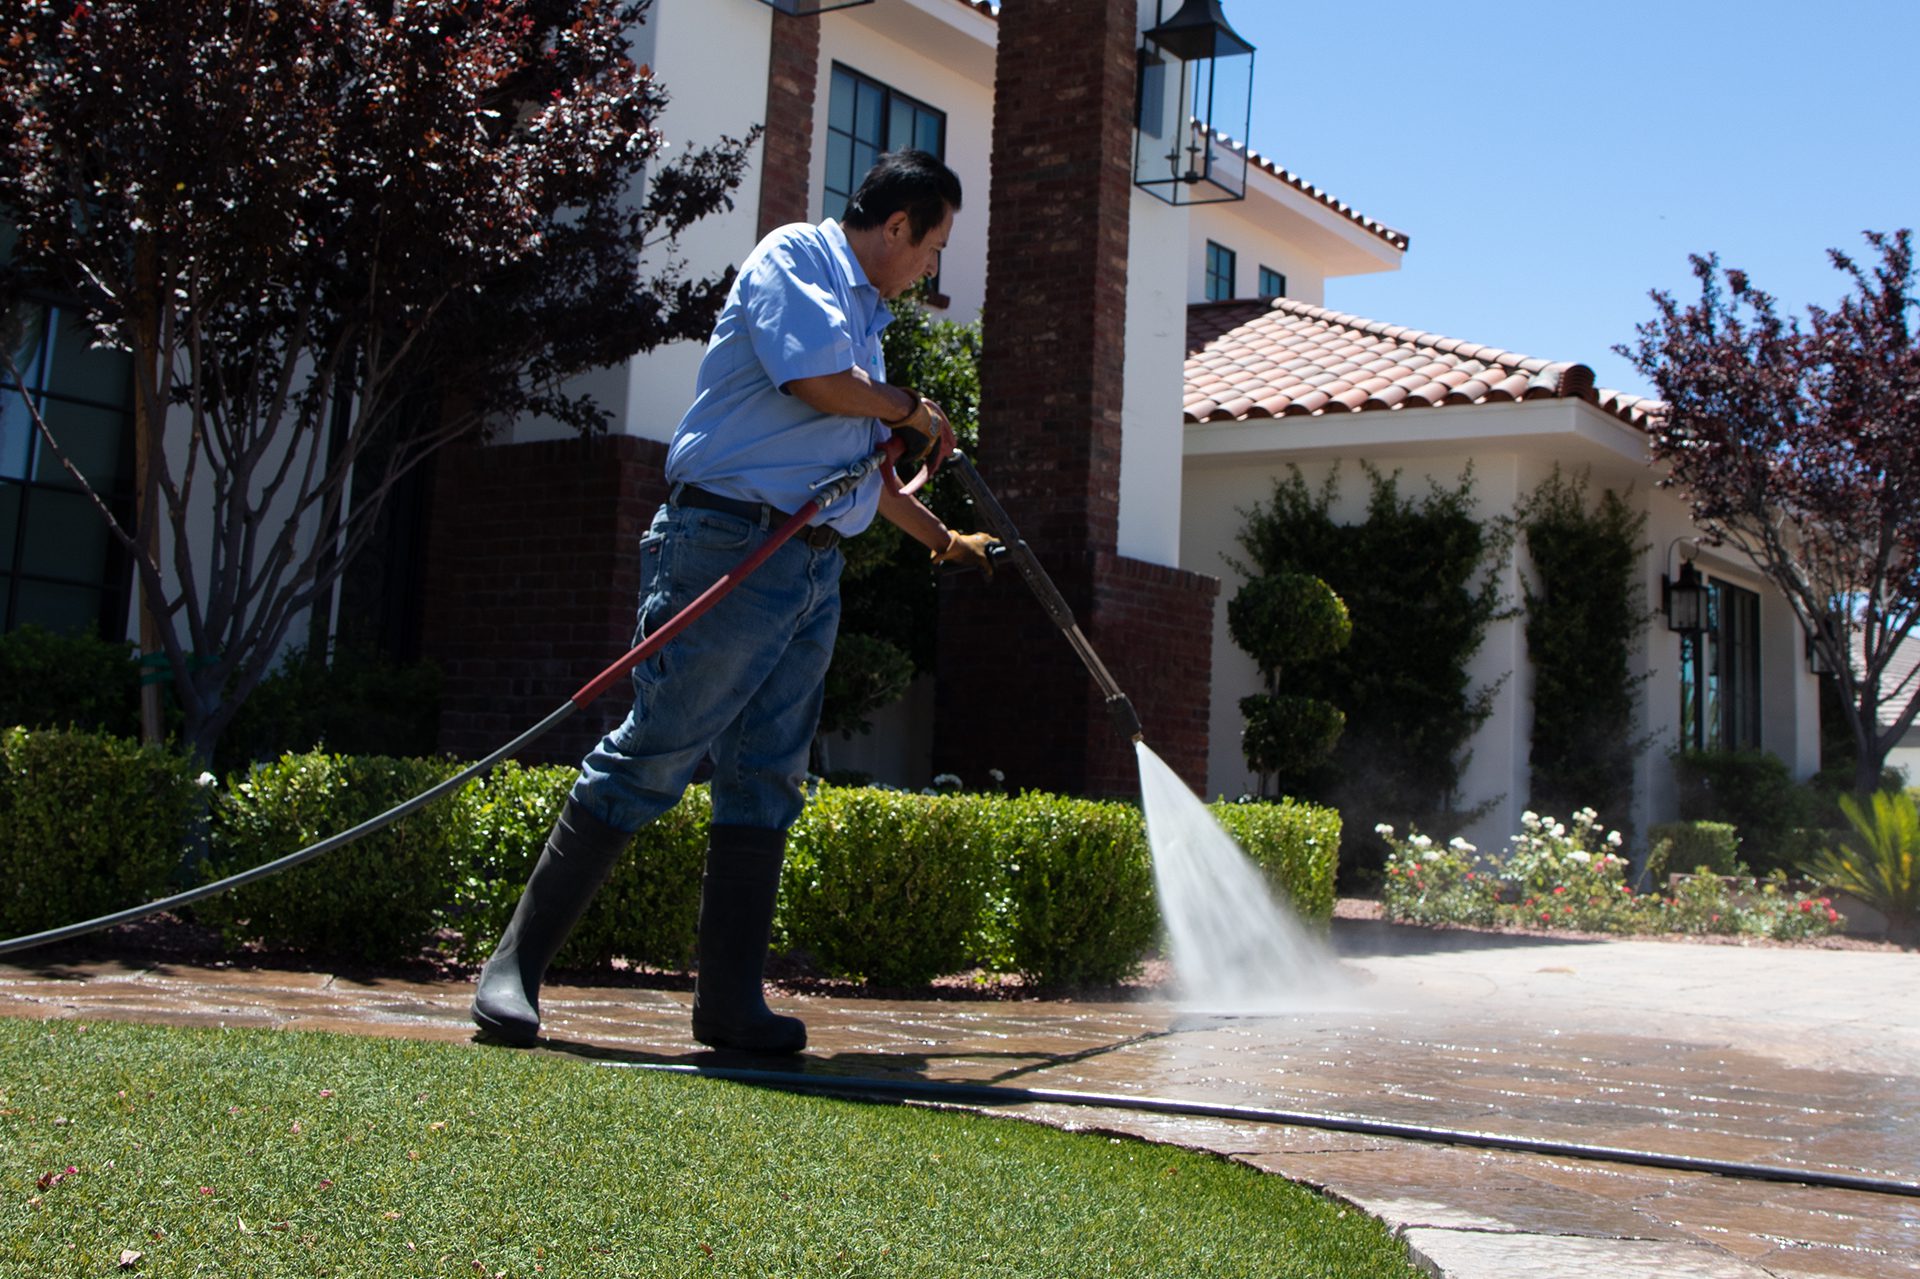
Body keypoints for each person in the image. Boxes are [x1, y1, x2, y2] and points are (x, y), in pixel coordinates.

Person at [471, 150, 995, 1053]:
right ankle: (512, 970)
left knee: (767, 778)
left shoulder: (865, 322)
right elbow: (814, 386)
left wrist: (944, 539)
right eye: (933, 246)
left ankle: (729, 1006)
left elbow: (859, 474)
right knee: (655, 754)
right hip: (729, 545)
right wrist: (910, 407)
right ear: (897, 225)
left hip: (811, 568)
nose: (931, 267)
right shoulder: (795, 258)